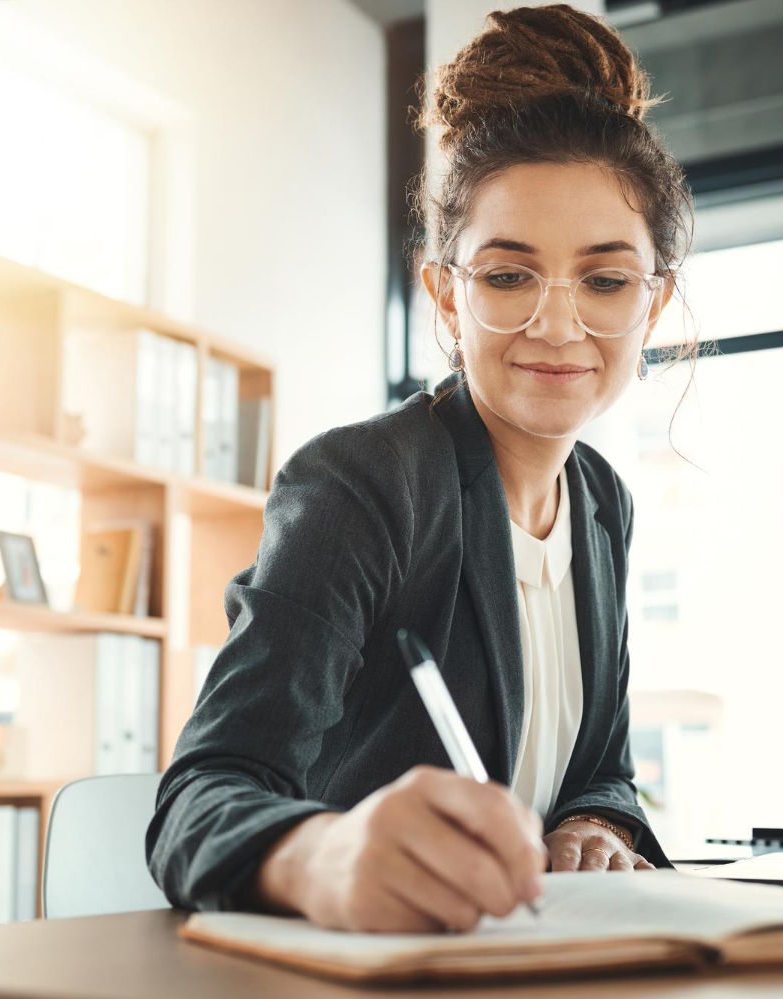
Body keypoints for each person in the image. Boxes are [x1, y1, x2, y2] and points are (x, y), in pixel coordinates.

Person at [146, 3, 695, 933]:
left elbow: (602, 762)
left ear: (654, 301)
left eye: (604, 280)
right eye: (508, 275)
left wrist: (595, 822)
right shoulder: (363, 483)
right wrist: (324, 852)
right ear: (447, 292)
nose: (558, 325)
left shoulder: (603, 505)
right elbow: (205, 789)